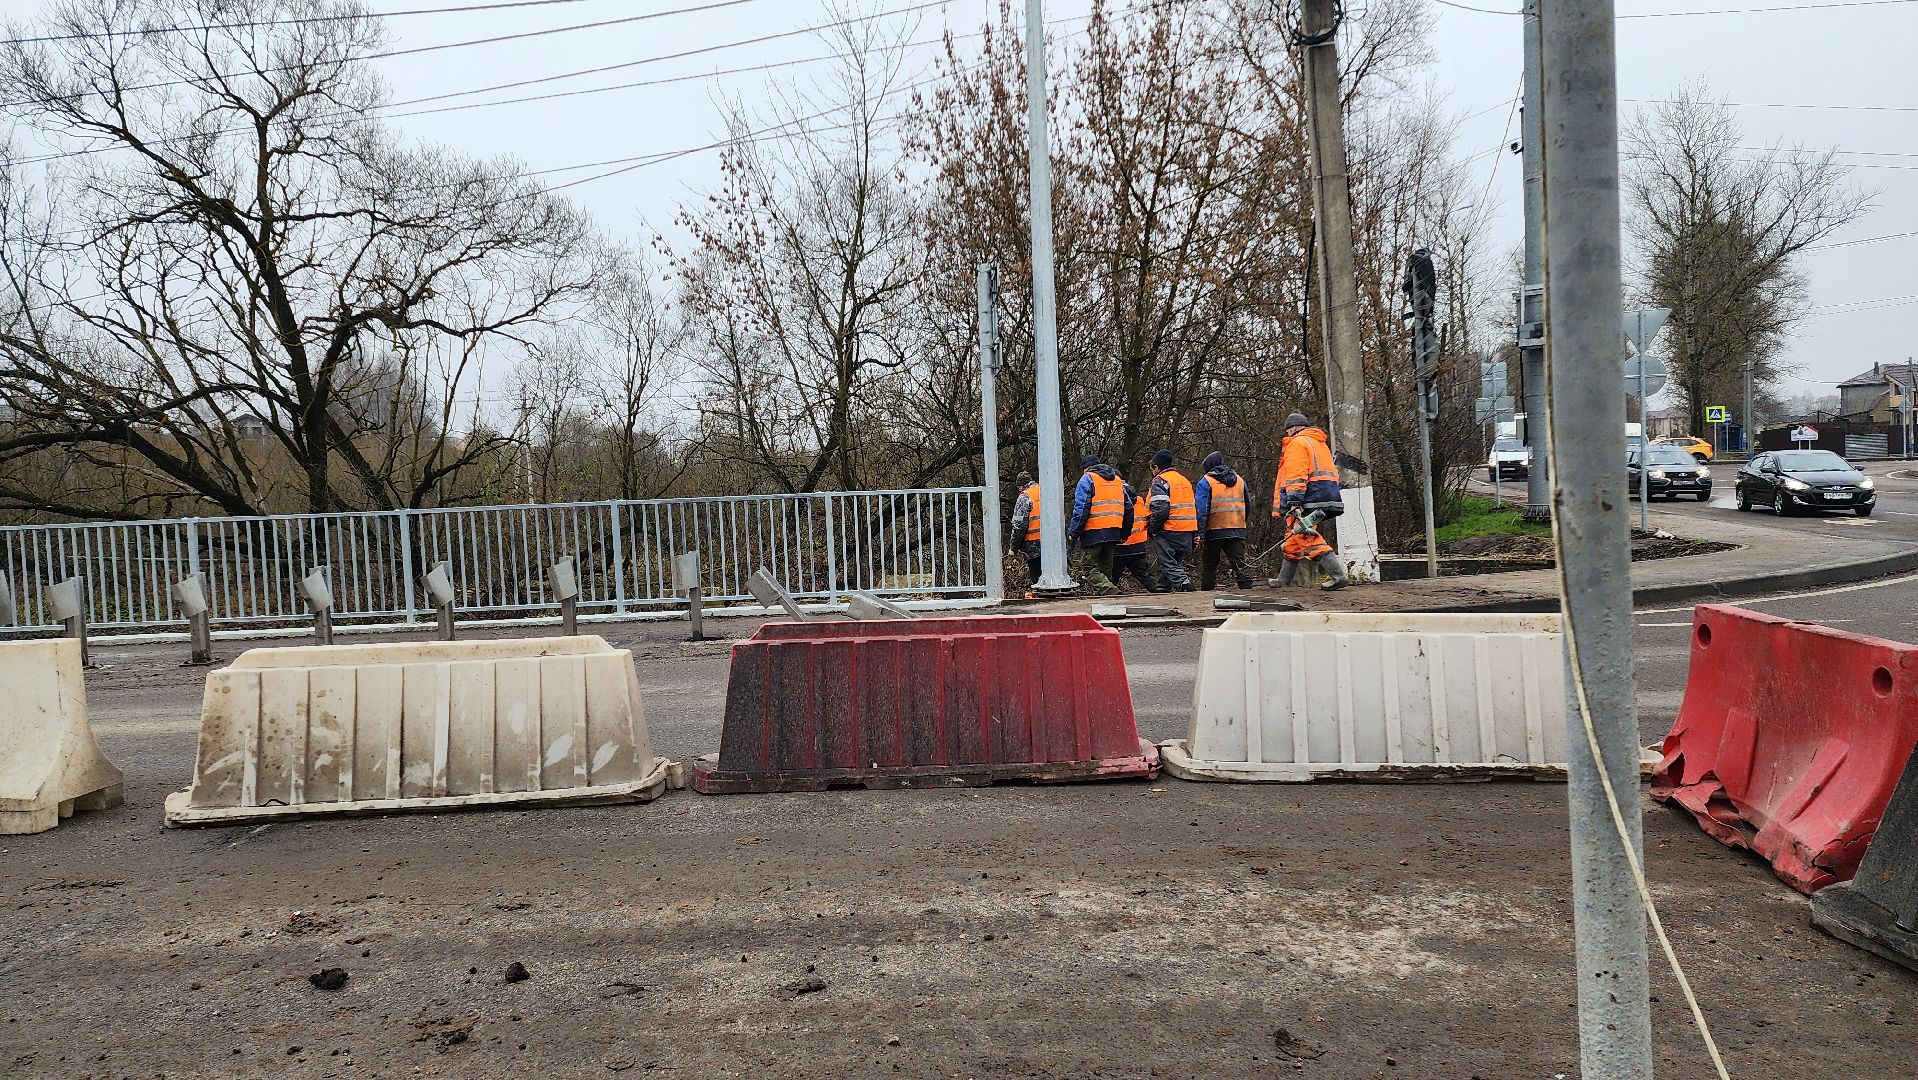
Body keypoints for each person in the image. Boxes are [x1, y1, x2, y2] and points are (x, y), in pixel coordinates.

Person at [1271, 413, 1349, 590]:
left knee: (1305, 535)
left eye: (1288, 429)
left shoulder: (1297, 443)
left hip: (1308, 497)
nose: (1287, 433)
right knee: (1293, 537)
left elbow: (1296, 475)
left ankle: (1338, 576)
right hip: (1325, 495)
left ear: (1294, 428)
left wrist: (1294, 501)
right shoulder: (1318, 443)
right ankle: (1283, 581)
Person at [1067, 454, 1134, 595]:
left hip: (1094, 531)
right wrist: (1124, 533)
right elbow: (1129, 508)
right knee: (1105, 569)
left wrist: (1074, 532)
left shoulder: (1087, 479)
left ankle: (1111, 592)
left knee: (1088, 568)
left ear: (1086, 468)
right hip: (1113, 531)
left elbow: (1081, 508)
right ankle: (1109, 601)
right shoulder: (1117, 480)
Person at [1195, 451, 1254, 590]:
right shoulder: (1239, 480)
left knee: (1209, 565)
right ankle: (1247, 591)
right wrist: (1242, 523)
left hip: (1213, 530)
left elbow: (1201, 511)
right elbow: (1248, 504)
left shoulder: (1205, 482)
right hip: (1236, 527)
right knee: (1240, 563)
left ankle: (1206, 593)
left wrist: (1200, 533)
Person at [1145, 449, 1197, 591]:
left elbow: (1161, 509)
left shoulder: (1160, 481)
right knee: (1175, 562)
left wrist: (1153, 527)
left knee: (1168, 562)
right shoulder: (1183, 480)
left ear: (1156, 467)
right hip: (1187, 527)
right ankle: (1163, 587)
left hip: (1169, 528)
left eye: (1152, 468)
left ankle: (1185, 585)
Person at [1111, 490, 1159, 592]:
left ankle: (1110, 596)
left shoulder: (1116, 501)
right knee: (1143, 575)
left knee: (1112, 578)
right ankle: (1161, 591)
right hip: (1139, 545)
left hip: (1119, 546)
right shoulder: (1140, 500)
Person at [1007, 470, 1042, 594]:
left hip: (1034, 544)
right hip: (1052, 544)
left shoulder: (1024, 497)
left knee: (1037, 579)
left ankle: (1041, 603)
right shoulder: (1045, 490)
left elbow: (1019, 525)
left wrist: (1014, 547)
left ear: (1021, 485)